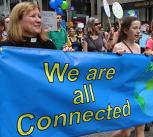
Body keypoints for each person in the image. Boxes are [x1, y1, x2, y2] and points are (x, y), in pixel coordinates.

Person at [112, 16, 144, 137]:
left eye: (139, 28)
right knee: (126, 132)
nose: (138, 31)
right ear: (126, 30)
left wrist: (146, 55)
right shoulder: (118, 47)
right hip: (123, 93)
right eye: (135, 28)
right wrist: (117, 57)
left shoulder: (137, 47)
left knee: (140, 128)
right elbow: (113, 72)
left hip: (138, 92)